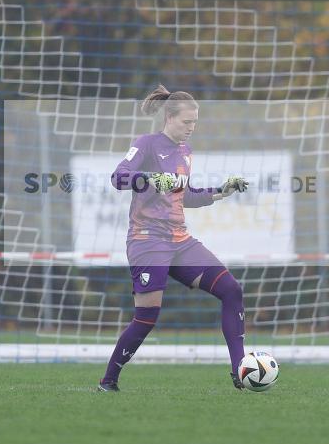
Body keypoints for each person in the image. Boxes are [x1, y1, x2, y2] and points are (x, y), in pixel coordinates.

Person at [98, 84, 249, 392]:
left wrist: (222, 191)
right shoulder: (148, 144)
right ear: (169, 117)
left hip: (180, 242)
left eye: (195, 123)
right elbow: (118, 178)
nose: (191, 128)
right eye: (186, 122)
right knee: (147, 317)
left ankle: (241, 370)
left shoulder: (185, 152)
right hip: (147, 241)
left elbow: (185, 197)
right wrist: (150, 178)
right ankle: (108, 381)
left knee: (231, 290)